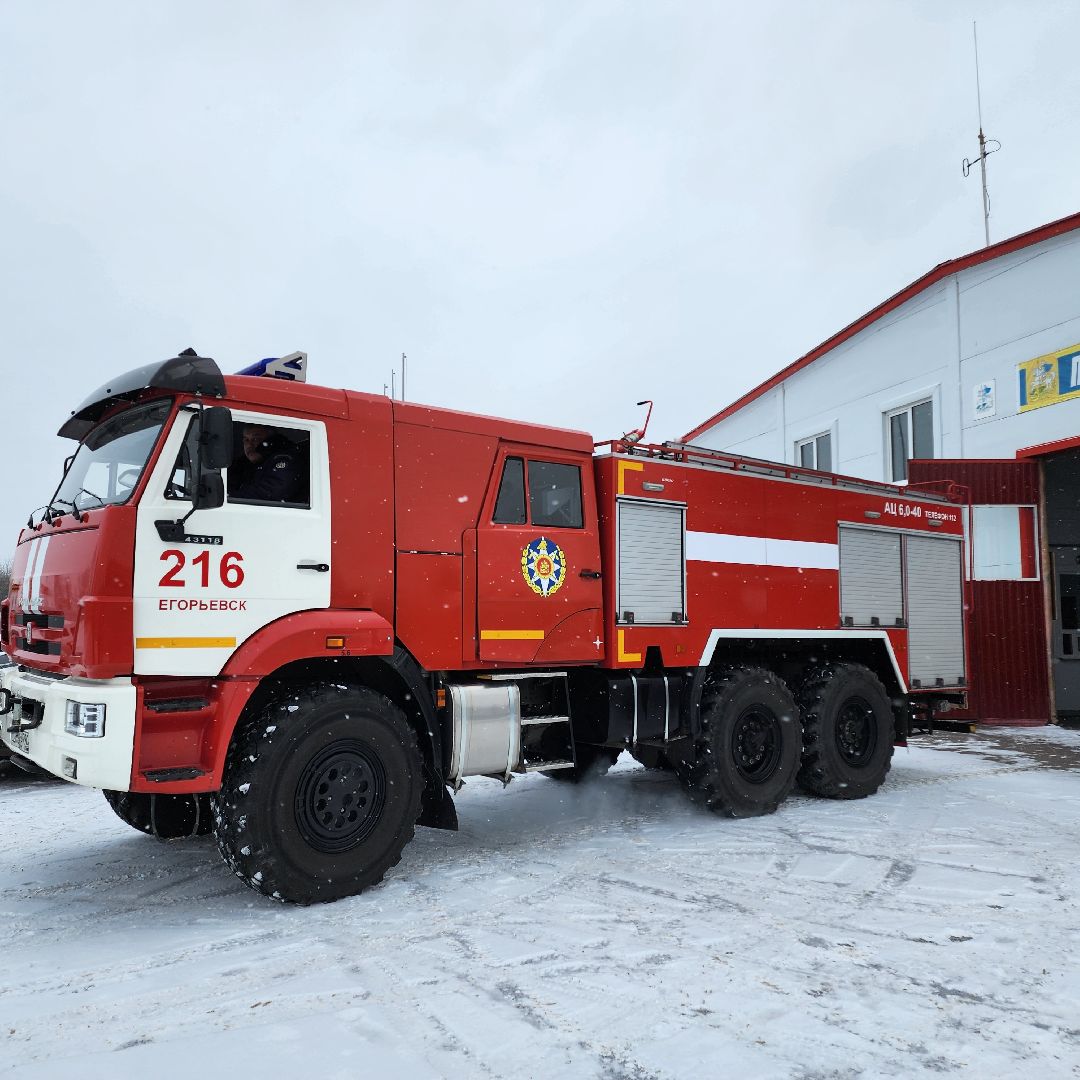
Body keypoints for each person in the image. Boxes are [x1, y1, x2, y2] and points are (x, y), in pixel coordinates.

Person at [228, 424, 305, 503]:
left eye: (255, 439)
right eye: (246, 440)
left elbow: (269, 493)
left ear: (270, 440)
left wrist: (230, 498)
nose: (249, 445)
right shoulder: (241, 465)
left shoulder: (285, 459)